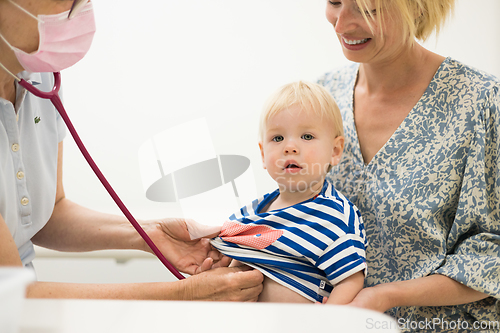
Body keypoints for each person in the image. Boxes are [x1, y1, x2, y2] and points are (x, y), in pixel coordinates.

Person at [0, 0, 263, 301]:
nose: (79, 8)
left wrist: (151, 232)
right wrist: (185, 295)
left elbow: (48, 213)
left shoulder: (40, 77)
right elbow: (10, 295)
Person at [317, 0, 499, 330]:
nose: (341, 24)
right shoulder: (322, 97)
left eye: (367, 9)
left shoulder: (481, 102)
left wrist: (385, 296)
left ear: (417, 7)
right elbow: (297, 215)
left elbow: (490, 257)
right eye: (334, 2)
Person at [210, 81, 367, 304]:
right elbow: (236, 260)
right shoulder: (253, 212)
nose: (289, 147)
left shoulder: (334, 214)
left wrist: (329, 321)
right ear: (263, 154)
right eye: (277, 138)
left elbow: (350, 280)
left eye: (307, 136)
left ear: (335, 151)